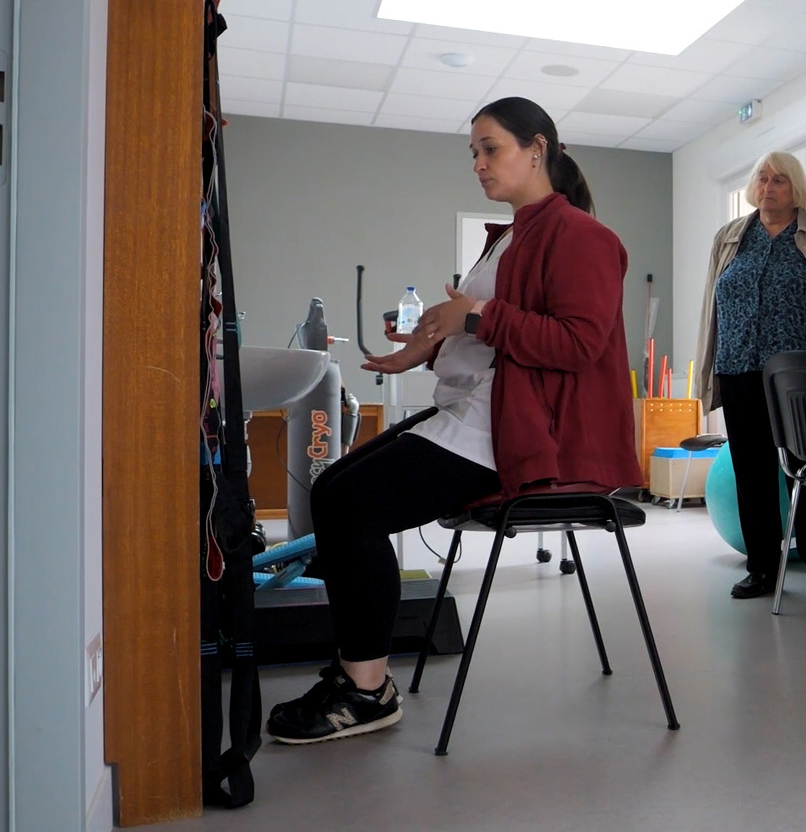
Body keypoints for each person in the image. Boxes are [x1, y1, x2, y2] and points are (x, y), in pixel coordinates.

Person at [265, 97, 643, 745]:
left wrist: (469, 316)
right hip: (472, 413)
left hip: (511, 436)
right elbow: (489, 334)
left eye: (489, 147)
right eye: (472, 151)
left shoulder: (585, 237)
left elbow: (578, 345)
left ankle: (365, 690)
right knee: (331, 493)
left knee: (350, 506)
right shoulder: (509, 239)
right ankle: (360, 675)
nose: (477, 163)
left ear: (537, 149)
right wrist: (431, 339)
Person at [692, 151, 806, 602]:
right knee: (751, 473)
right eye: (762, 179)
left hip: (801, 376)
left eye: (780, 181)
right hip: (739, 370)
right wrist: (708, 368)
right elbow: (711, 308)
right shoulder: (730, 237)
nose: (768, 188)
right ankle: (761, 569)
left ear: (797, 188)